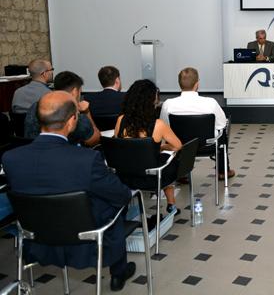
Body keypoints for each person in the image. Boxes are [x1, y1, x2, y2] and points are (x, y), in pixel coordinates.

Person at [2, 91, 136, 291]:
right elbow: (121, 195)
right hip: (85, 241)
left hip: (37, 239)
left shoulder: (11, 158)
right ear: (72, 121)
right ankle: (119, 271)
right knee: (115, 202)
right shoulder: (86, 160)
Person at [115, 79, 182, 214]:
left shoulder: (121, 120)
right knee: (169, 160)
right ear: (152, 101)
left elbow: (118, 143)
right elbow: (178, 146)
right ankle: (171, 204)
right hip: (151, 179)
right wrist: (162, 148)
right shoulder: (158, 124)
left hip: (124, 177)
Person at [160, 67, 234, 180]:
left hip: (180, 145)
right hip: (208, 145)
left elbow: (164, 126)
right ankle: (223, 170)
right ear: (197, 84)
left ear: (179, 84)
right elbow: (221, 124)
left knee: (170, 134)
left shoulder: (168, 104)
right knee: (223, 131)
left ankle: (181, 172)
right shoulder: (211, 103)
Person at [24, 71, 101, 147]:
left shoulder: (35, 106)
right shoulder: (74, 116)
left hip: (32, 153)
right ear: (74, 92)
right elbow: (95, 140)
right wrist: (86, 112)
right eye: (80, 92)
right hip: (65, 156)